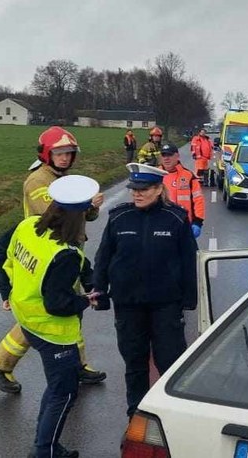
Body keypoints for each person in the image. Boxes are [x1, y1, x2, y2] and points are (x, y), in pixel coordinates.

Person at [0, 126, 106, 394]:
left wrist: (89, 209)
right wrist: (87, 205)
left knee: (54, 315)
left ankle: (74, 365)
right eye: (59, 153)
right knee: (50, 315)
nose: (65, 158)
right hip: (48, 258)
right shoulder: (38, 181)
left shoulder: (62, 178)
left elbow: (84, 218)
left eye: (69, 153)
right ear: (47, 154)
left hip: (62, 254)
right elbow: (54, 213)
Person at [0, 175, 106, 458]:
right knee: (64, 392)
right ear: (77, 216)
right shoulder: (64, 253)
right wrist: (86, 300)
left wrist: (88, 278)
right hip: (53, 332)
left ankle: (45, 446)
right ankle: (45, 451)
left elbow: (8, 259)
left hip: (26, 318)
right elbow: (59, 303)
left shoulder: (28, 227)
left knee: (56, 388)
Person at [93, 163, 198, 417]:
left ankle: (170, 413)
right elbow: (103, 257)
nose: (137, 194)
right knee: (135, 361)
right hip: (128, 303)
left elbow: (188, 260)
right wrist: (99, 290)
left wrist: (190, 298)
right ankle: (136, 415)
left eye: (144, 189)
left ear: (158, 189)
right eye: (134, 189)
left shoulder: (176, 217)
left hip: (165, 304)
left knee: (169, 361)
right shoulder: (119, 216)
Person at [159, 143, 205, 239]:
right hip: (160, 227)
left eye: (169, 155)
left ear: (177, 156)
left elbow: (198, 200)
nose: (166, 158)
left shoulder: (188, 176)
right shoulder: (155, 176)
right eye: (164, 155)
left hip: (184, 225)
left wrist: (198, 222)